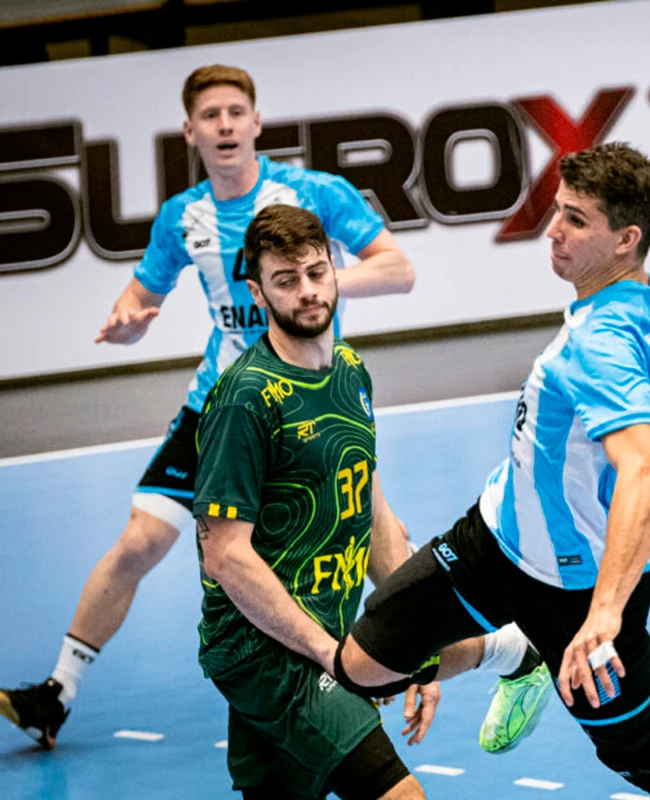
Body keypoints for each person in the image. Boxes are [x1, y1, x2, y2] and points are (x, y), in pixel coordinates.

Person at [0, 64, 549, 752]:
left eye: (237, 112)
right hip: (220, 409)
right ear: (190, 131)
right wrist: (129, 319)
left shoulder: (313, 194)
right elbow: (142, 295)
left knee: (386, 556)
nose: (225, 124)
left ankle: (508, 651)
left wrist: (305, 283)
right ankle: (57, 693)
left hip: (315, 406)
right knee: (140, 541)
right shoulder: (184, 218)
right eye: (212, 115)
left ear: (256, 124)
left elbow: (398, 269)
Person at [332, 97, 650, 800]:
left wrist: (603, 616)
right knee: (363, 665)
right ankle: (514, 650)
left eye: (576, 220)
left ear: (626, 239)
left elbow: (645, 477)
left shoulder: (600, 347)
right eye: (559, 210)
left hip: (580, 588)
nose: (554, 231)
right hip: (497, 536)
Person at [194, 203, 449, 798]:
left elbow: (377, 518)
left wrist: (419, 648)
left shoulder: (351, 373)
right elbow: (225, 556)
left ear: (334, 270)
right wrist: (334, 656)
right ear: (258, 293)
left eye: (316, 272)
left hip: (321, 636)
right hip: (265, 650)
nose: (307, 292)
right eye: (286, 281)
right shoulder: (246, 399)